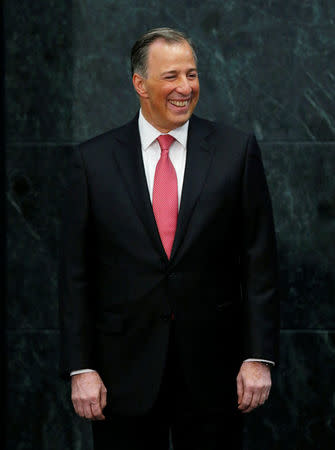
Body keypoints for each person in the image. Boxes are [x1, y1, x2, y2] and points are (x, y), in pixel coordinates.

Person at [59, 27, 279, 450]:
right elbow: (75, 274)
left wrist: (258, 358)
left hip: (216, 372)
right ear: (139, 84)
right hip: (121, 373)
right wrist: (80, 368)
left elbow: (260, 261)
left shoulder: (236, 151)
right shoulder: (92, 161)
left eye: (192, 75)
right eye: (171, 76)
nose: (185, 88)